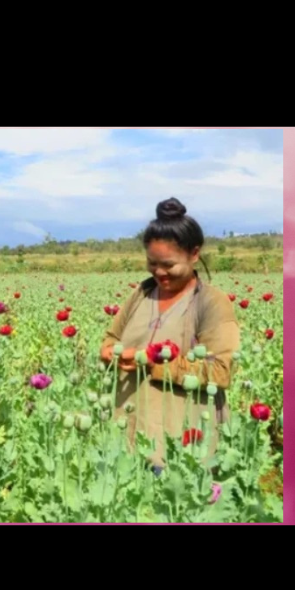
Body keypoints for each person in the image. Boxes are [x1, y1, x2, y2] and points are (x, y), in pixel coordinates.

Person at [99, 198, 240, 473]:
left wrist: (150, 363)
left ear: (194, 254)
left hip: (181, 446)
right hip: (128, 436)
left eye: (168, 264)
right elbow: (110, 339)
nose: (159, 272)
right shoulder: (142, 293)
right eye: (152, 263)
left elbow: (221, 371)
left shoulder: (211, 303)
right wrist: (108, 353)